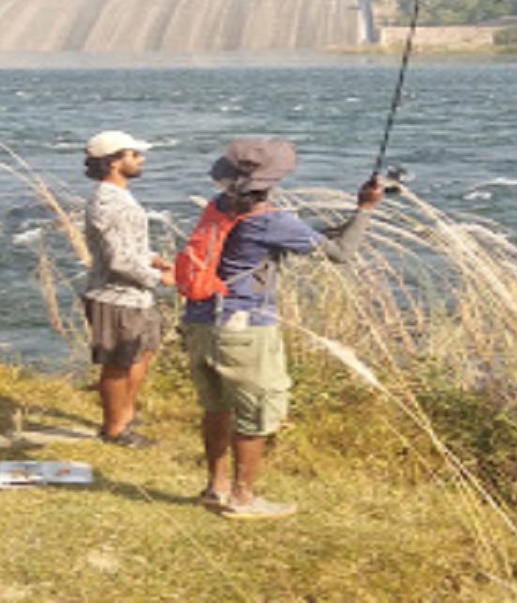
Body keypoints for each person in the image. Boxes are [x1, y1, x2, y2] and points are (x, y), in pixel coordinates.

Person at [181, 136, 383, 520]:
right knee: (255, 409)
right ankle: (243, 497)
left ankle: (216, 485)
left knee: (216, 406)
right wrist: (366, 210)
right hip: (244, 328)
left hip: (200, 319)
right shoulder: (271, 220)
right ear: (270, 180)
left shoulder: (217, 207)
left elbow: (296, 237)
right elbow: (341, 254)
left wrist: (343, 218)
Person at [80, 130, 174, 448]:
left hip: (132, 294)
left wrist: (152, 259)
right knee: (118, 363)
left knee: (140, 355)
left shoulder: (118, 197)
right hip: (116, 296)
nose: (140, 159)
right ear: (113, 162)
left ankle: (126, 415)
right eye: (133, 155)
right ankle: (115, 429)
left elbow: (127, 248)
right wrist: (158, 278)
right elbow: (119, 260)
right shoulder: (109, 201)